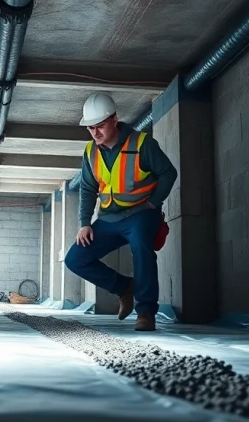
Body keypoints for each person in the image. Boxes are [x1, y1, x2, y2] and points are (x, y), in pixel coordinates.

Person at [64, 93, 178, 332]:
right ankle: (124, 287)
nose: (95, 133)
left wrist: (154, 202)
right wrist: (85, 222)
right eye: (91, 128)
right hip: (108, 218)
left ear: (114, 119)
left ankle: (146, 311)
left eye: (100, 126)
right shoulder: (90, 152)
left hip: (140, 213)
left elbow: (168, 173)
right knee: (75, 259)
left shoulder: (142, 143)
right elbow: (87, 188)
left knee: (141, 249)